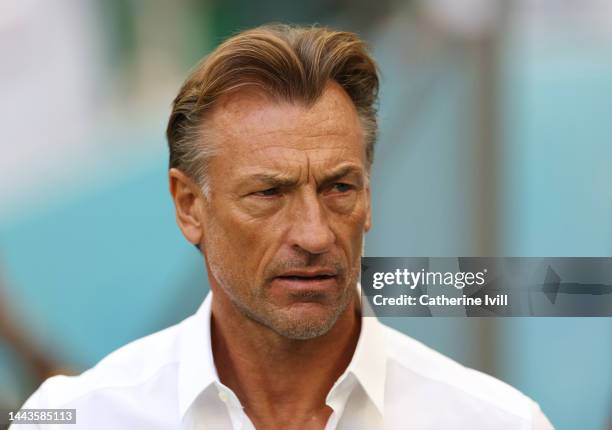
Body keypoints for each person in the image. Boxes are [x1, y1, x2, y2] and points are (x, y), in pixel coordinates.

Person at [15, 24, 554, 429]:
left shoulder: (495, 421)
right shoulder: (79, 417)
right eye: (269, 193)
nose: (315, 235)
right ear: (188, 205)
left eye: (339, 188)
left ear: (368, 197)